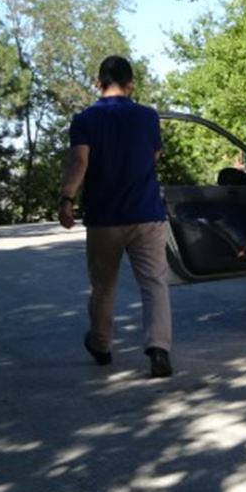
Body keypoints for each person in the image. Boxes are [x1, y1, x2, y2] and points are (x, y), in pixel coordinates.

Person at [58, 56, 173, 377]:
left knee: (104, 287)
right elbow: (152, 158)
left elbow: (79, 162)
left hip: (104, 218)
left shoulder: (85, 120)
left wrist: (67, 198)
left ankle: (102, 345)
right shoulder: (148, 117)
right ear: (131, 83)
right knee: (154, 284)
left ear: (98, 82)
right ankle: (159, 350)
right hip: (147, 215)